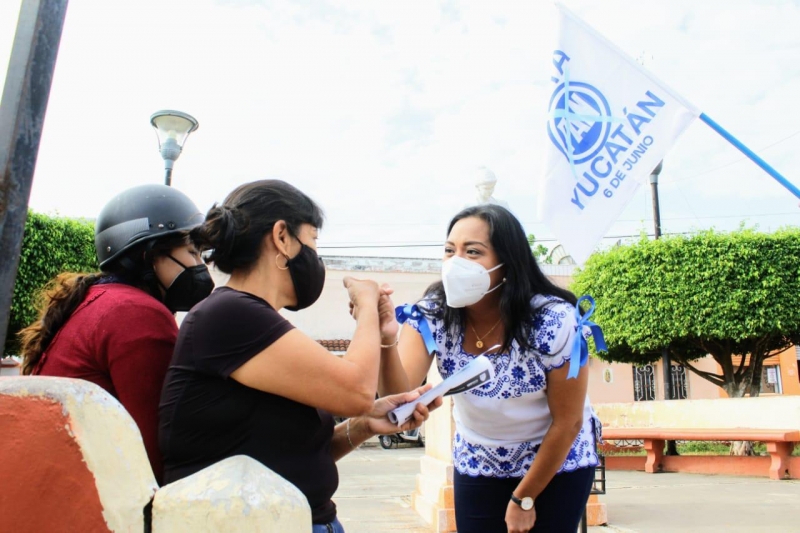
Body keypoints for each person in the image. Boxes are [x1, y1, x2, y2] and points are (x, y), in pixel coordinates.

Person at [158, 179, 440, 532]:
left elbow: (297, 453)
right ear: (281, 237)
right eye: (312, 242)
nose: (315, 258)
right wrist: (367, 303)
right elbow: (357, 391)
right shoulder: (229, 314)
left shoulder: (255, 321)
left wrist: (366, 425)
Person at [378, 204, 602, 533]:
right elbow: (398, 399)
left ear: (507, 263)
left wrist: (524, 498)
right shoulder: (432, 316)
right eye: (449, 251)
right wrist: (386, 339)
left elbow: (568, 421)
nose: (456, 263)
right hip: (479, 460)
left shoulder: (554, 321)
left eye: (473, 252)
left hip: (557, 461)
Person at [19, 184, 214, 482]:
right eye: (192, 252)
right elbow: (159, 445)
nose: (199, 266)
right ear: (151, 255)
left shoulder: (96, 301)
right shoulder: (137, 312)